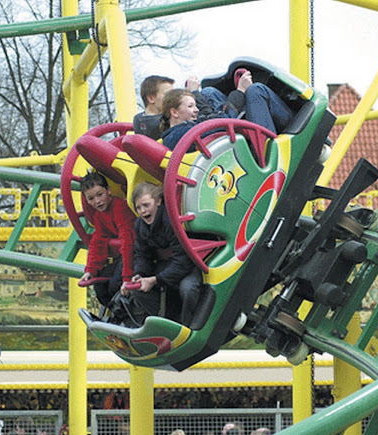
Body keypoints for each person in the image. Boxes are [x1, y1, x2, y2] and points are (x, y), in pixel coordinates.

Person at [121, 182, 202, 326]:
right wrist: (139, 273)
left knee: (188, 289)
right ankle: (168, 323)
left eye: (146, 205)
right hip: (170, 264)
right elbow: (142, 255)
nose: (142, 211)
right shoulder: (140, 226)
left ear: (158, 201)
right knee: (138, 289)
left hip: (190, 265)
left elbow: (184, 262)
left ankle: (189, 326)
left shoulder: (171, 220)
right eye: (138, 207)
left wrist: (155, 280)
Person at [160, 69, 293, 149]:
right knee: (256, 90)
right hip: (261, 151)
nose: (196, 110)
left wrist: (196, 93)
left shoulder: (182, 130)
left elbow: (209, 117)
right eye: (190, 106)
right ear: (174, 112)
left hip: (236, 143)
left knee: (208, 92)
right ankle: (296, 130)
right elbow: (225, 120)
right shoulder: (182, 134)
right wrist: (240, 91)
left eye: (195, 106)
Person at [78, 172, 136, 309]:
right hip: (124, 256)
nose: (97, 201)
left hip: (136, 252)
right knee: (99, 286)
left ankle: (127, 312)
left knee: (115, 283)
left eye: (100, 194)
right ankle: (116, 313)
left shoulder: (120, 207)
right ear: (86, 201)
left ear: (108, 191)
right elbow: (97, 243)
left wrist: (127, 277)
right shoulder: (99, 216)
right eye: (91, 198)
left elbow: (128, 242)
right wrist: (90, 271)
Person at [133, 75, 175, 140]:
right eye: (168, 94)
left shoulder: (138, 119)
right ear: (151, 98)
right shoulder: (163, 122)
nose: (174, 98)